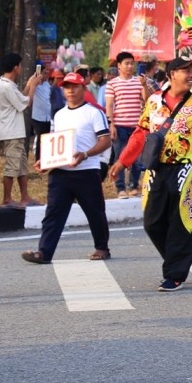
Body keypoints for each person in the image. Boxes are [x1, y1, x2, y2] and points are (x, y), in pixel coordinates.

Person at [109, 57, 192, 291]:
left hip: (186, 169)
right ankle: (174, 259)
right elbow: (140, 134)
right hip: (156, 169)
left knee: (183, 222)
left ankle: (175, 273)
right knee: (152, 221)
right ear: (171, 74)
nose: (191, 75)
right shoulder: (153, 101)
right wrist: (122, 161)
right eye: (185, 71)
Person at [21, 72, 112, 264]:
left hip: (87, 171)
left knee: (94, 212)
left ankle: (102, 247)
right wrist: (45, 161)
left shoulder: (94, 112)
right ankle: (44, 252)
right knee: (53, 214)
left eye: (74, 86)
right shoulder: (59, 114)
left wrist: (85, 154)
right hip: (60, 172)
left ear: (83, 89)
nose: (70, 90)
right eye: (66, 87)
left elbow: (105, 140)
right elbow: (55, 143)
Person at [0, 53, 44, 208]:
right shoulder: (6, 86)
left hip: (16, 131)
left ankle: (25, 197)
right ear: (15, 67)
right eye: (20, 65)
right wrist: (34, 86)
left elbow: (21, 98)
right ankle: (7, 198)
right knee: (12, 166)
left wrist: (29, 84)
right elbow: (26, 103)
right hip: (11, 132)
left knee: (22, 165)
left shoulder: (8, 85)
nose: (21, 68)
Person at [105, 51, 151, 198]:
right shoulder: (112, 84)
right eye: (127, 63)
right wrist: (111, 124)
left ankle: (134, 185)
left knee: (137, 158)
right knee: (120, 157)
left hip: (137, 126)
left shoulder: (139, 81)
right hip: (120, 126)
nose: (130, 66)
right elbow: (110, 105)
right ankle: (120, 188)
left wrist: (144, 86)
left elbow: (147, 101)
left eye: (132, 63)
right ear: (119, 65)